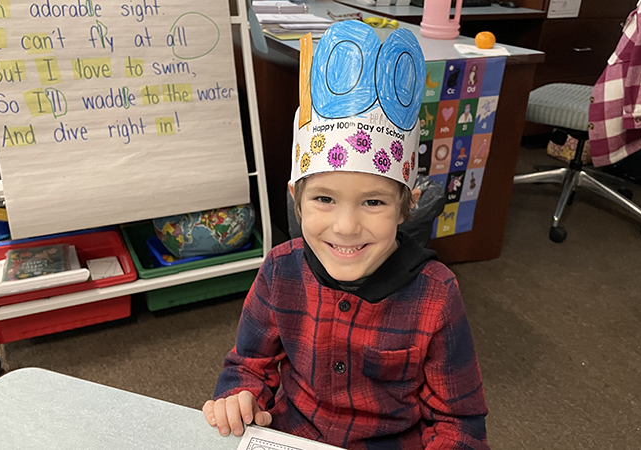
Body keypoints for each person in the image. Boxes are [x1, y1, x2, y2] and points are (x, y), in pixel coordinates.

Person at [203, 21, 489, 450]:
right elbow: (249, 364)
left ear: (405, 206)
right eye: (324, 199)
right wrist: (238, 397)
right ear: (296, 202)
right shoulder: (280, 269)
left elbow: (458, 423)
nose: (346, 227)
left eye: (373, 203)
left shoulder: (436, 294)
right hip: (292, 439)